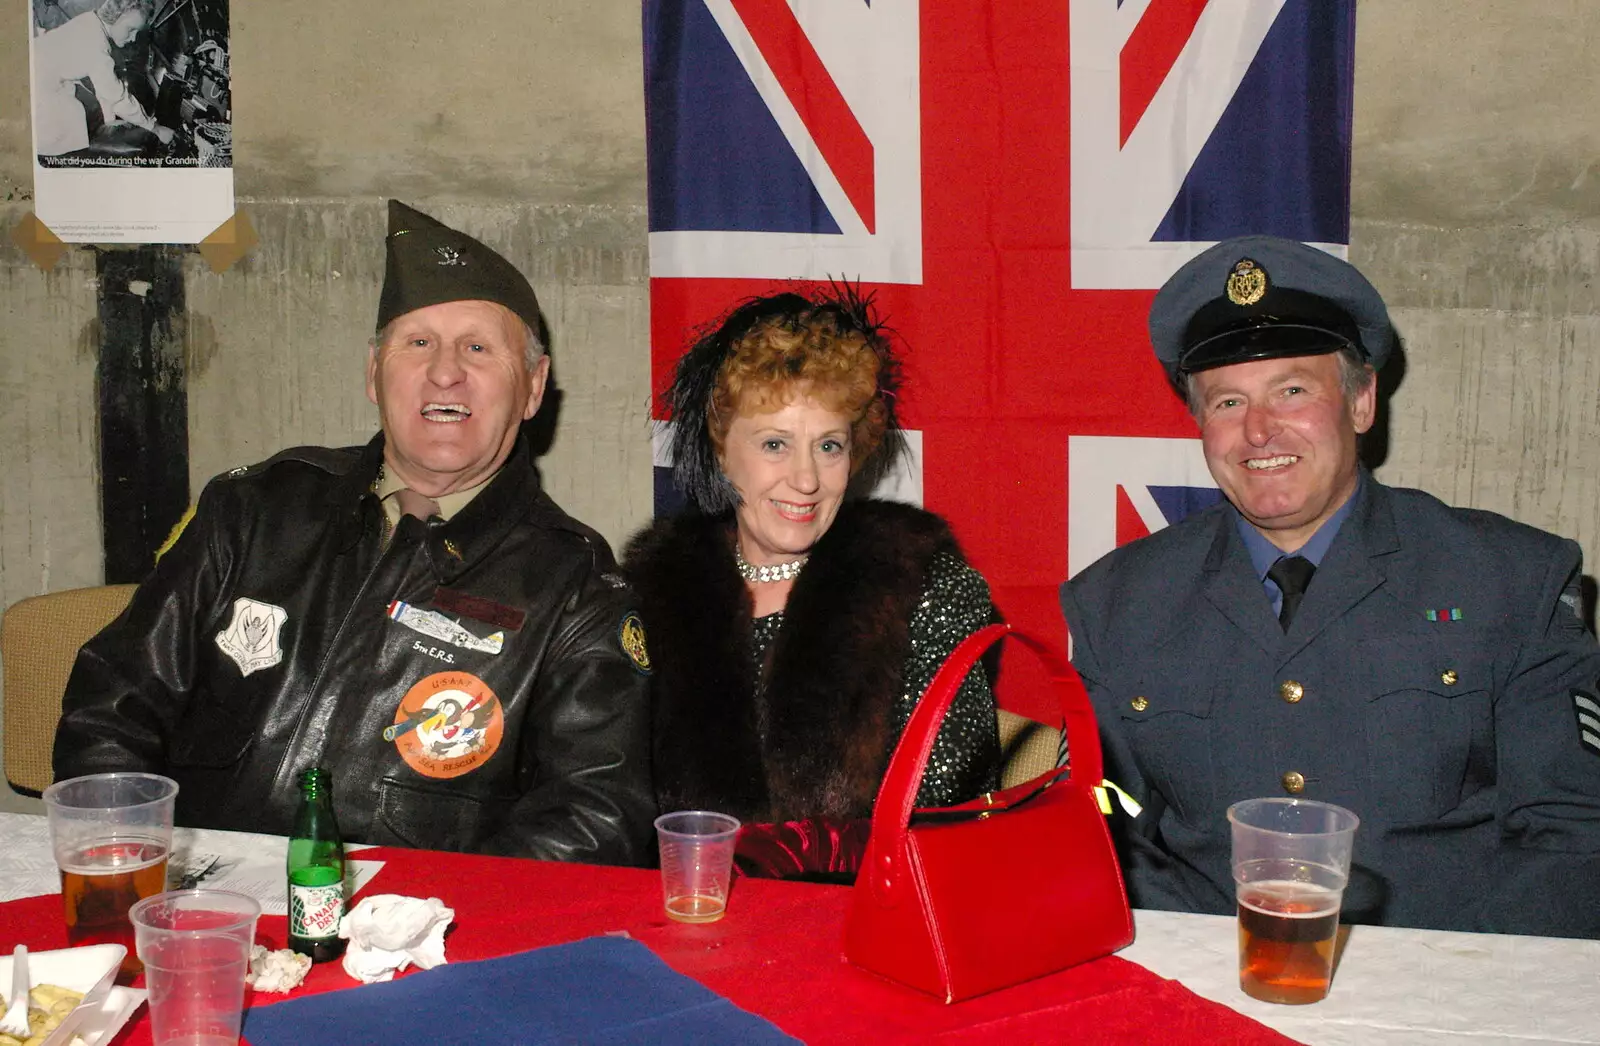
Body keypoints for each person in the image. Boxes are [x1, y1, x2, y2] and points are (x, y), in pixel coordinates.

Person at [54, 200, 656, 865]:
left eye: (478, 347)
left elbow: (596, 814)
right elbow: (112, 705)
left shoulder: (576, 588)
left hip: (412, 941)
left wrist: (431, 923)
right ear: (375, 372)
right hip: (198, 913)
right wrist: (129, 862)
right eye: (417, 342)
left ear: (534, 387)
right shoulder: (254, 509)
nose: (445, 370)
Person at [1060, 234, 1600, 938]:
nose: (1258, 430)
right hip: (1208, 989)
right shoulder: (1118, 602)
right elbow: (1106, 816)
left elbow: (1573, 833)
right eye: (1227, 402)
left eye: (1291, 390)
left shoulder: (1508, 578)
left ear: (1362, 402)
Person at [623, 289, 1003, 882]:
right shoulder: (652, 595)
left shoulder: (921, 584)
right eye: (774, 444)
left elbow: (947, 809)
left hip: (869, 925)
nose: (805, 479)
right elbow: (613, 802)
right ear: (721, 449)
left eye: (829, 446)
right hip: (685, 919)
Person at [32, 0, 170, 157]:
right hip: (36, 88)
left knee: (80, 111)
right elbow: (115, 96)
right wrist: (154, 128)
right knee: (71, 123)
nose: (133, 38)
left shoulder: (90, 22)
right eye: (131, 29)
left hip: (42, 77)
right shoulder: (95, 43)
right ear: (117, 16)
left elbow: (103, 88)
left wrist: (109, 120)